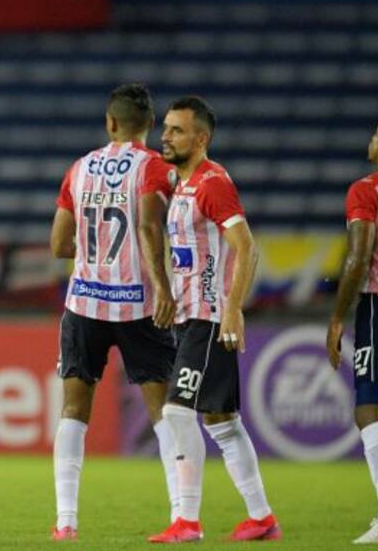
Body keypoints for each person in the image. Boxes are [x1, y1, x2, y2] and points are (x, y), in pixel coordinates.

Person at [49, 83, 180, 541]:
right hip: (139, 304)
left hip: (84, 302)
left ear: (110, 122)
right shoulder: (156, 168)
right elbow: (150, 226)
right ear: (151, 124)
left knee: (73, 410)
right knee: (164, 411)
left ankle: (66, 521)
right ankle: (182, 514)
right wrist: (163, 284)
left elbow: (58, 244)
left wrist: (93, 251)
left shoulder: (80, 168)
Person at [148, 96, 280, 544]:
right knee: (221, 420)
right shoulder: (181, 183)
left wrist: (233, 309)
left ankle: (187, 520)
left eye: (177, 130)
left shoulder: (213, 183)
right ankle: (262, 518)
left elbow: (247, 248)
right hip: (189, 316)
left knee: (176, 412)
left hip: (209, 316)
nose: (166, 136)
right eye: (166, 128)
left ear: (201, 138)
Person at [327, 108, 378, 545]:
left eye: (375, 134)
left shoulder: (367, 190)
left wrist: (336, 318)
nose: (370, 141)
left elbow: (358, 257)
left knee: (369, 406)